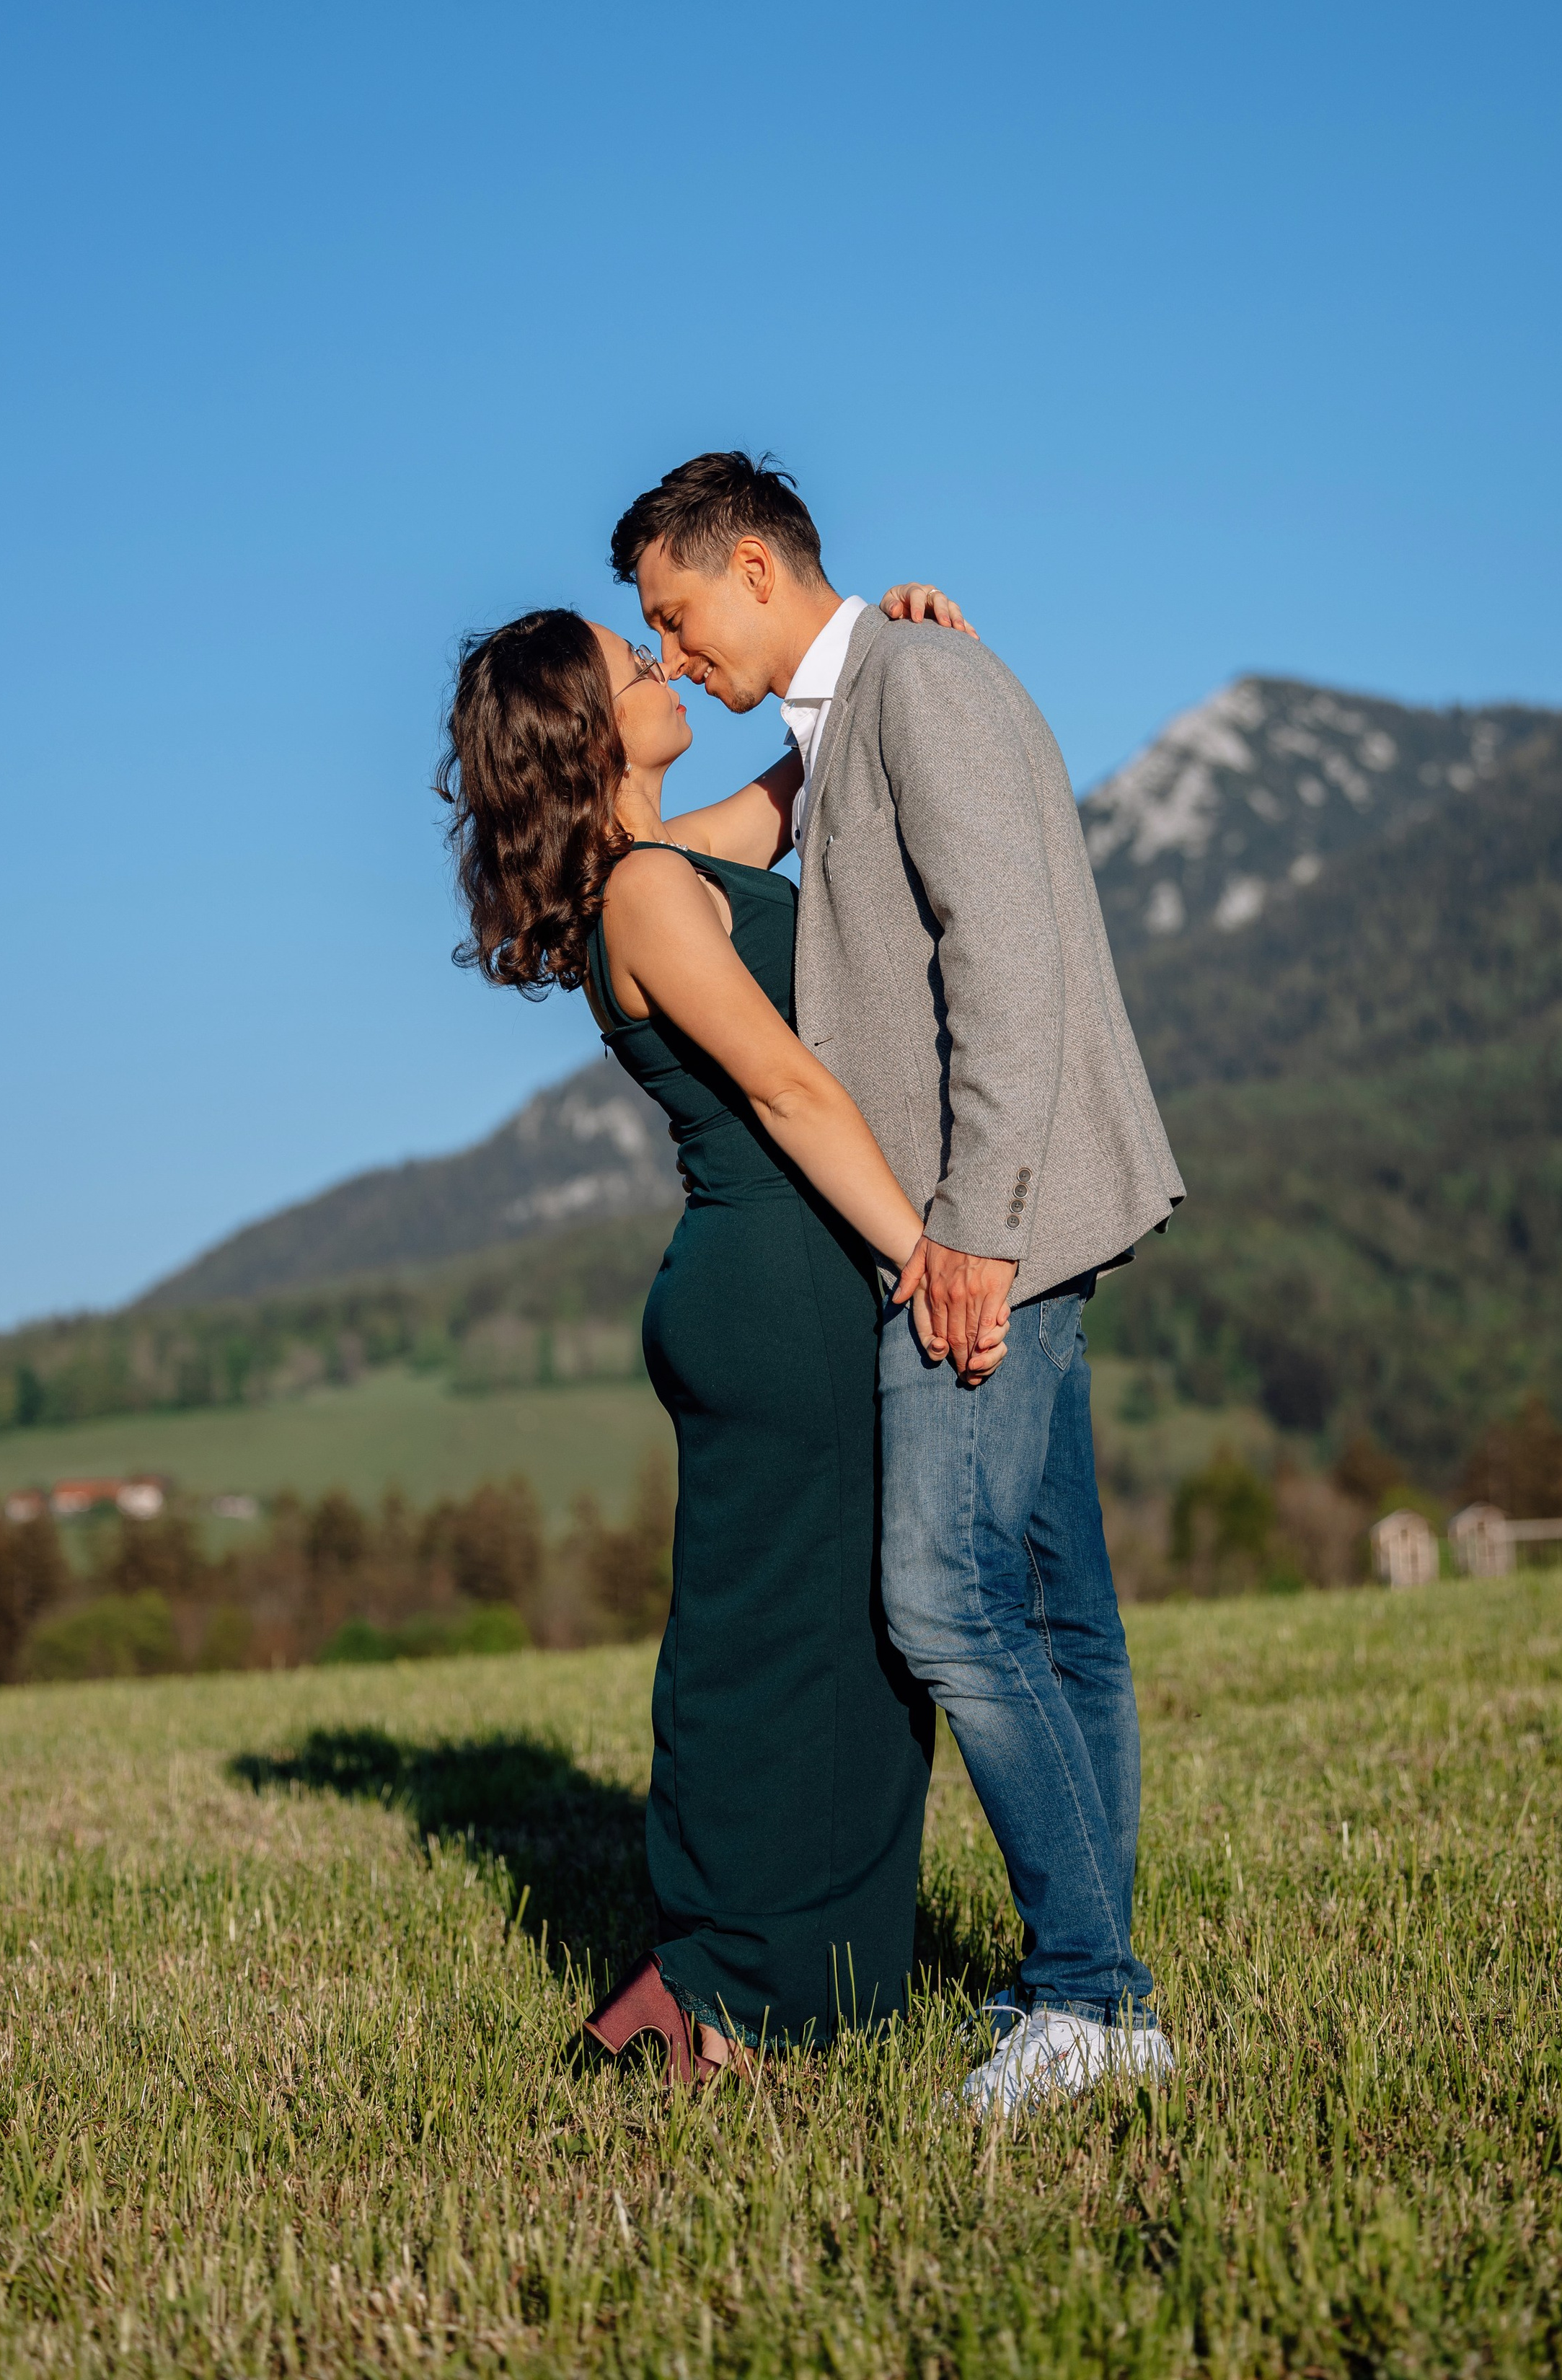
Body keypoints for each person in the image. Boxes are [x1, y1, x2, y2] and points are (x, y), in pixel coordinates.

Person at [612, 451, 1186, 2118]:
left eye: (675, 612)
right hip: (992, 1218)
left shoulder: (914, 686)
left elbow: (1004, 966)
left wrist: (976, 1230)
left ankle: (1085, 1994)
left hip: (981, 1226)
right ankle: (1094, 1995)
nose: (672, 652)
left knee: (941, 1595)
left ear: (751, 564)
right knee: (1060, 1615)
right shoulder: (872, 697)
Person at [438, 576, 992, 2084]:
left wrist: (891, 644)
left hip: (800, 1278)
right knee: (777, 1647)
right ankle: (717, 1987)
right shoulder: (639, 895)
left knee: (860, 1637)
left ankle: (809, 1980)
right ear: (586, 726)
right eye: (636, 661)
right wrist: (927, 1261)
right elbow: (789, 1092)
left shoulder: (669, 860)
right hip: (784, 1286)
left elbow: (814, 775)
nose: (665, 665)